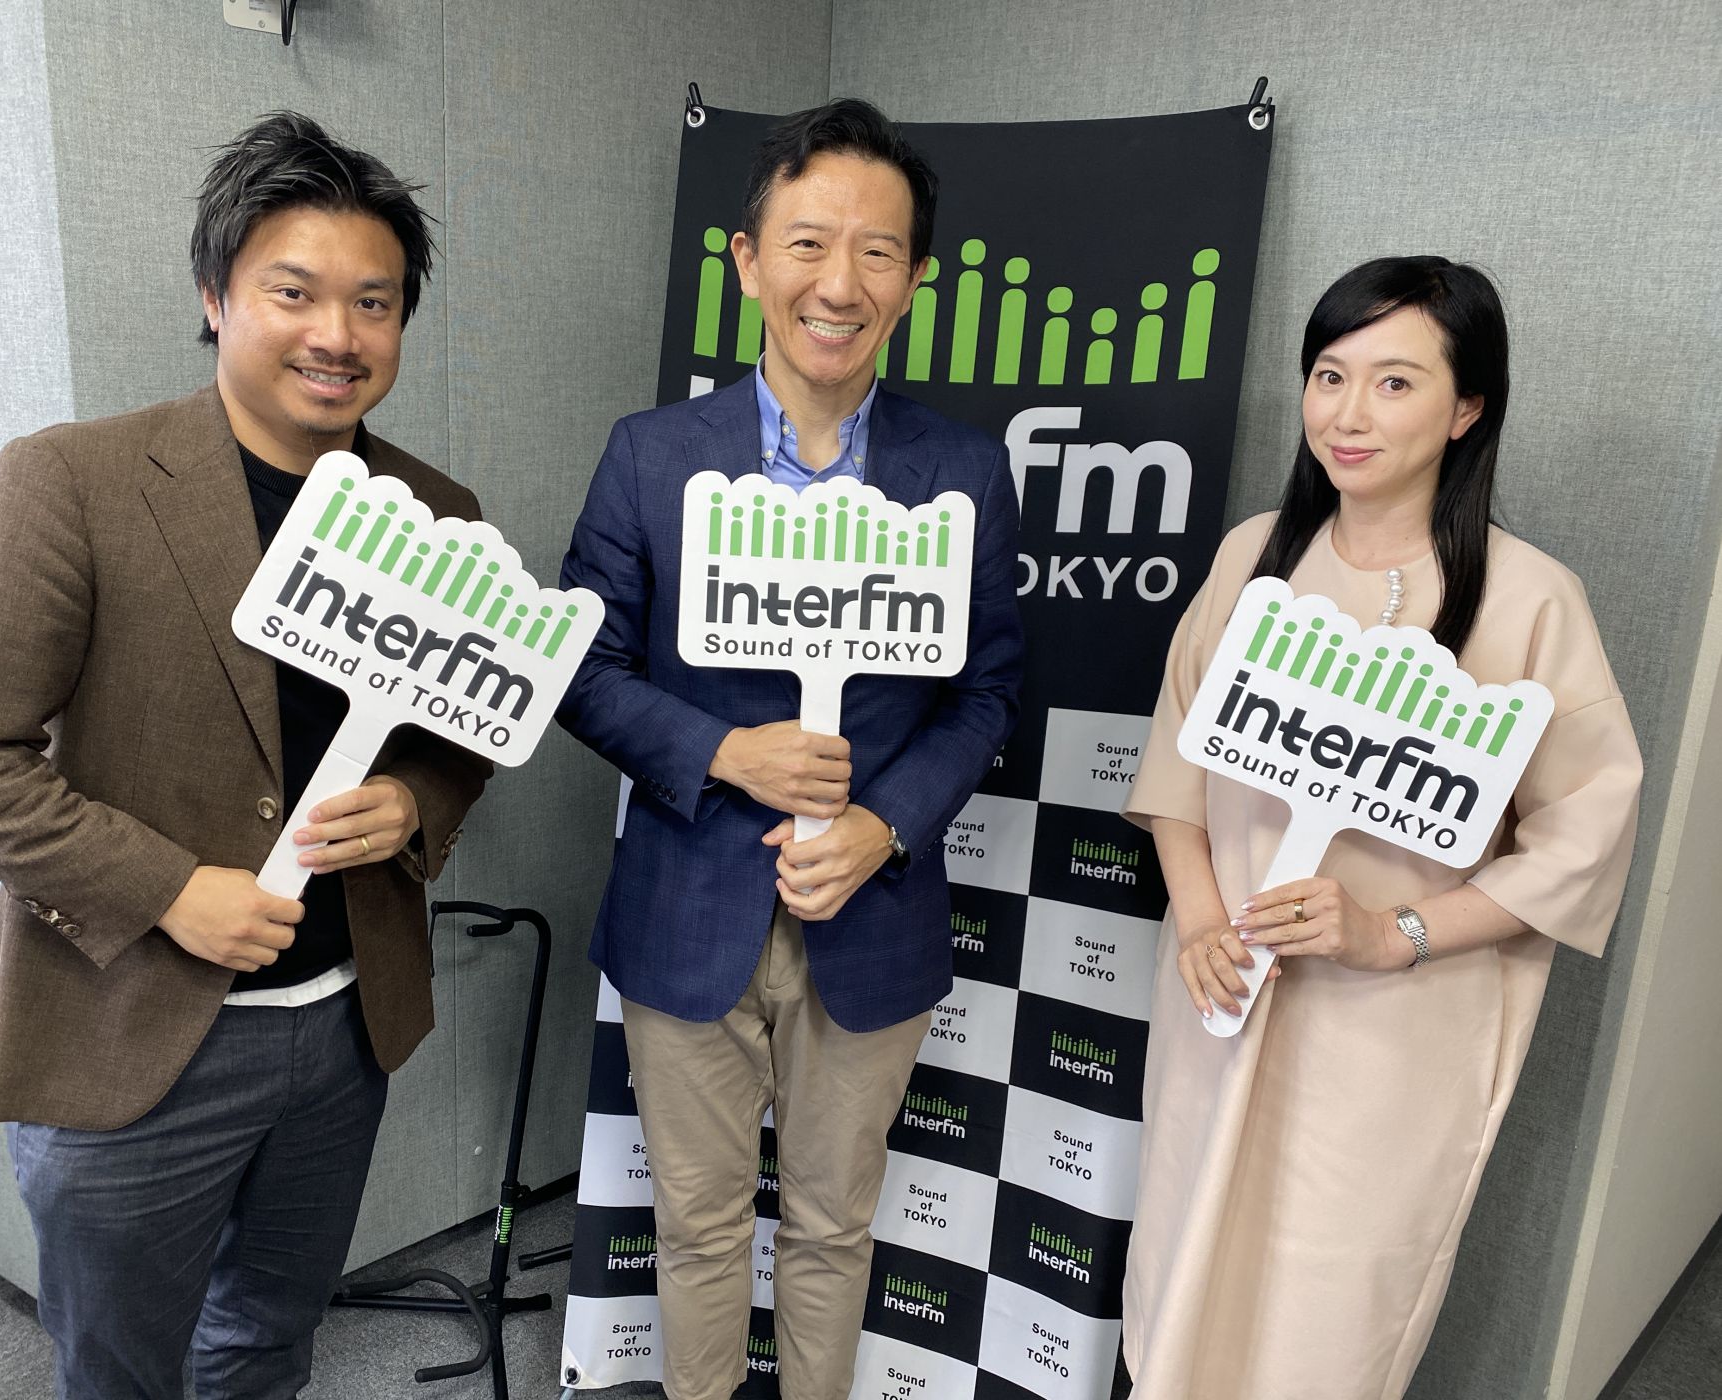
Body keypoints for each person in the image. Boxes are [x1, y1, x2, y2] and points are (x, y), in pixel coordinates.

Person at [0, 112, 490, 1399]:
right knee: (119, 1366)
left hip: (347, 1023)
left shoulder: (436, 515)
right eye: (294, 291)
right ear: (215, 298)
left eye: (374, 302)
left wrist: (412, 799)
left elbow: (459, 736)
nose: (338, 333)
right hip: (129, 1026)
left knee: (270, 1336)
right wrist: (166, 887)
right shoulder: (71, 481)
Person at [557, 98, 1024, 1400]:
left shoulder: (963, 473)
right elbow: (579, 669)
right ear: (747, 261)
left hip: (871, 920)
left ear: (914, 282)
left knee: (831, 1229)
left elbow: (988, 693)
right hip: (684, 906)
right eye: (808, 243)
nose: (839, 282)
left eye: (877, 252)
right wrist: (724, 751)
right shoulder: (650, 457)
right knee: (699, 1227)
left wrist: (883, 825)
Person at [1119, 256, 1643, 1398]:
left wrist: (1390, 932)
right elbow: (1174, 763)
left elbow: (1582, 836)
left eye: (1394, 382)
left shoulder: (1529, 599)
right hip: (1220, 999)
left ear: (1467, 408)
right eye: (1329, 374)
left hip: (1395, 1034)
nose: (1347, 414)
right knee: (1177, 1277)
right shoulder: (1255, 554)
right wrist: (1200, 920)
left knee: (1328, 1311)